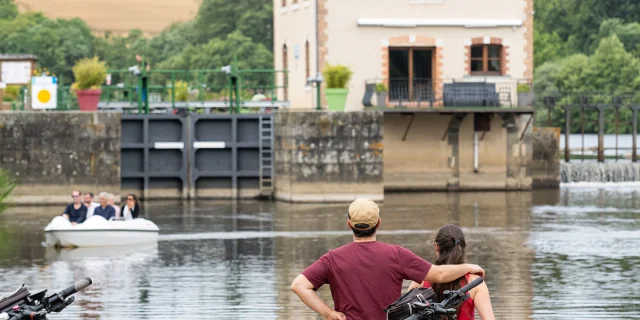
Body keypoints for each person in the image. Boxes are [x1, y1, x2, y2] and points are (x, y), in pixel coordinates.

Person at [290, 199, 485, 320]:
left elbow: (299, 285)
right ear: (379, 223)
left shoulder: (332, 259)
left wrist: (329, 314)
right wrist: (468, 266)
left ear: (349, 225)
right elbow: (440, 274)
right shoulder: (396, 255)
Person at [408, 224, 495, 320]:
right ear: (463, 248)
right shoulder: (476, 283)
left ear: (437, 247)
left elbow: (402, 312)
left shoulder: (421, 281)